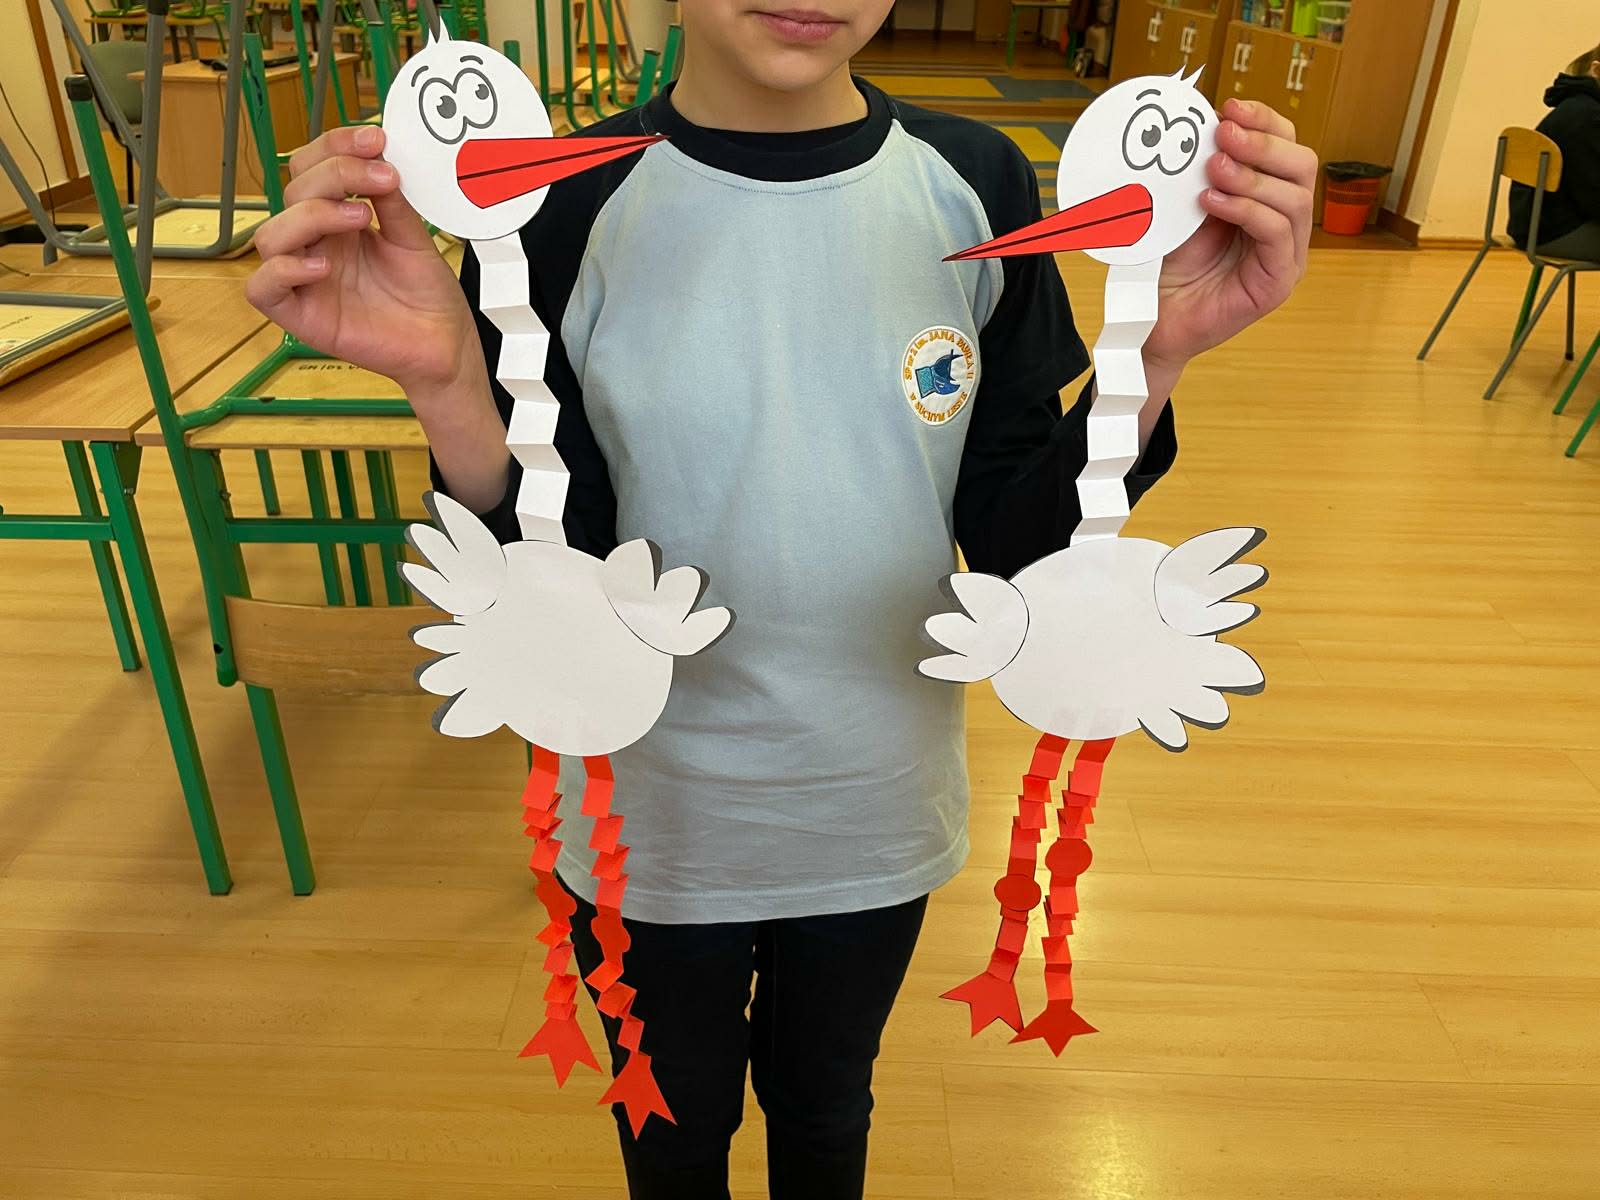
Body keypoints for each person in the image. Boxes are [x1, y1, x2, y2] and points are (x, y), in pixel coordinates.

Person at [245, 0, 1315, 1194]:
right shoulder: (556, 200)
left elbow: (1019, 545)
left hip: (873, 803)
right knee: (672, 1127)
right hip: (648, 812)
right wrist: (450, 387)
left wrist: (1149, 360)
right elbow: (559, 561)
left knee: (825, 1105)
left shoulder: (976, 181)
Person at [1508, 43, 1600, 260]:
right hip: (1556, 231)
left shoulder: (1577, 105)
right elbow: (1594, 197)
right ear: (1596, 70)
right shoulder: (1588, 117)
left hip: (1536, 225)